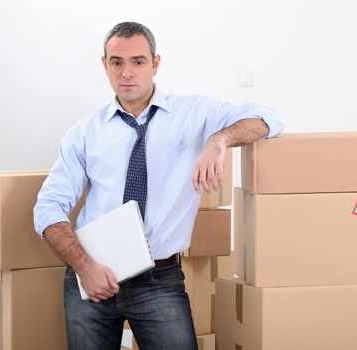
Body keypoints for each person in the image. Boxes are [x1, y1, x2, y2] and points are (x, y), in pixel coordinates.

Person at [34, 21, 283, 350]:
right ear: (104, 65)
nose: (127, 72)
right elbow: (48, 208)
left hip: (159, 281)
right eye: (116, 62)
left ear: (155, 63)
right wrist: (84, 267)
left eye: (138, 61)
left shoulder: (192, 114)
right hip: (91, 275)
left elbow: (268, 118)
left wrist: (218, 140)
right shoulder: (84, 133)